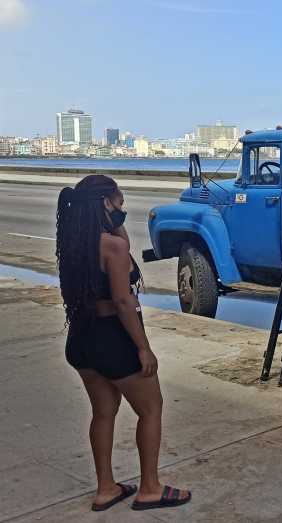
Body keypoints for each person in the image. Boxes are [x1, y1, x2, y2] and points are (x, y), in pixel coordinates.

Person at [57, 175, 191, 510]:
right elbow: (122, 301)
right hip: (113, 339)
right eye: (119, 203)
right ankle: (149, 488)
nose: (122, 210)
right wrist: (143, 348)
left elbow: (124, 247)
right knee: (151, 409)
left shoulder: (74, 241)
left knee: (102, 414)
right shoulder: (111, 247)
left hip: (81, 339)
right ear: (106, 203)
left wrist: (111, 219)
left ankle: (106, 490)